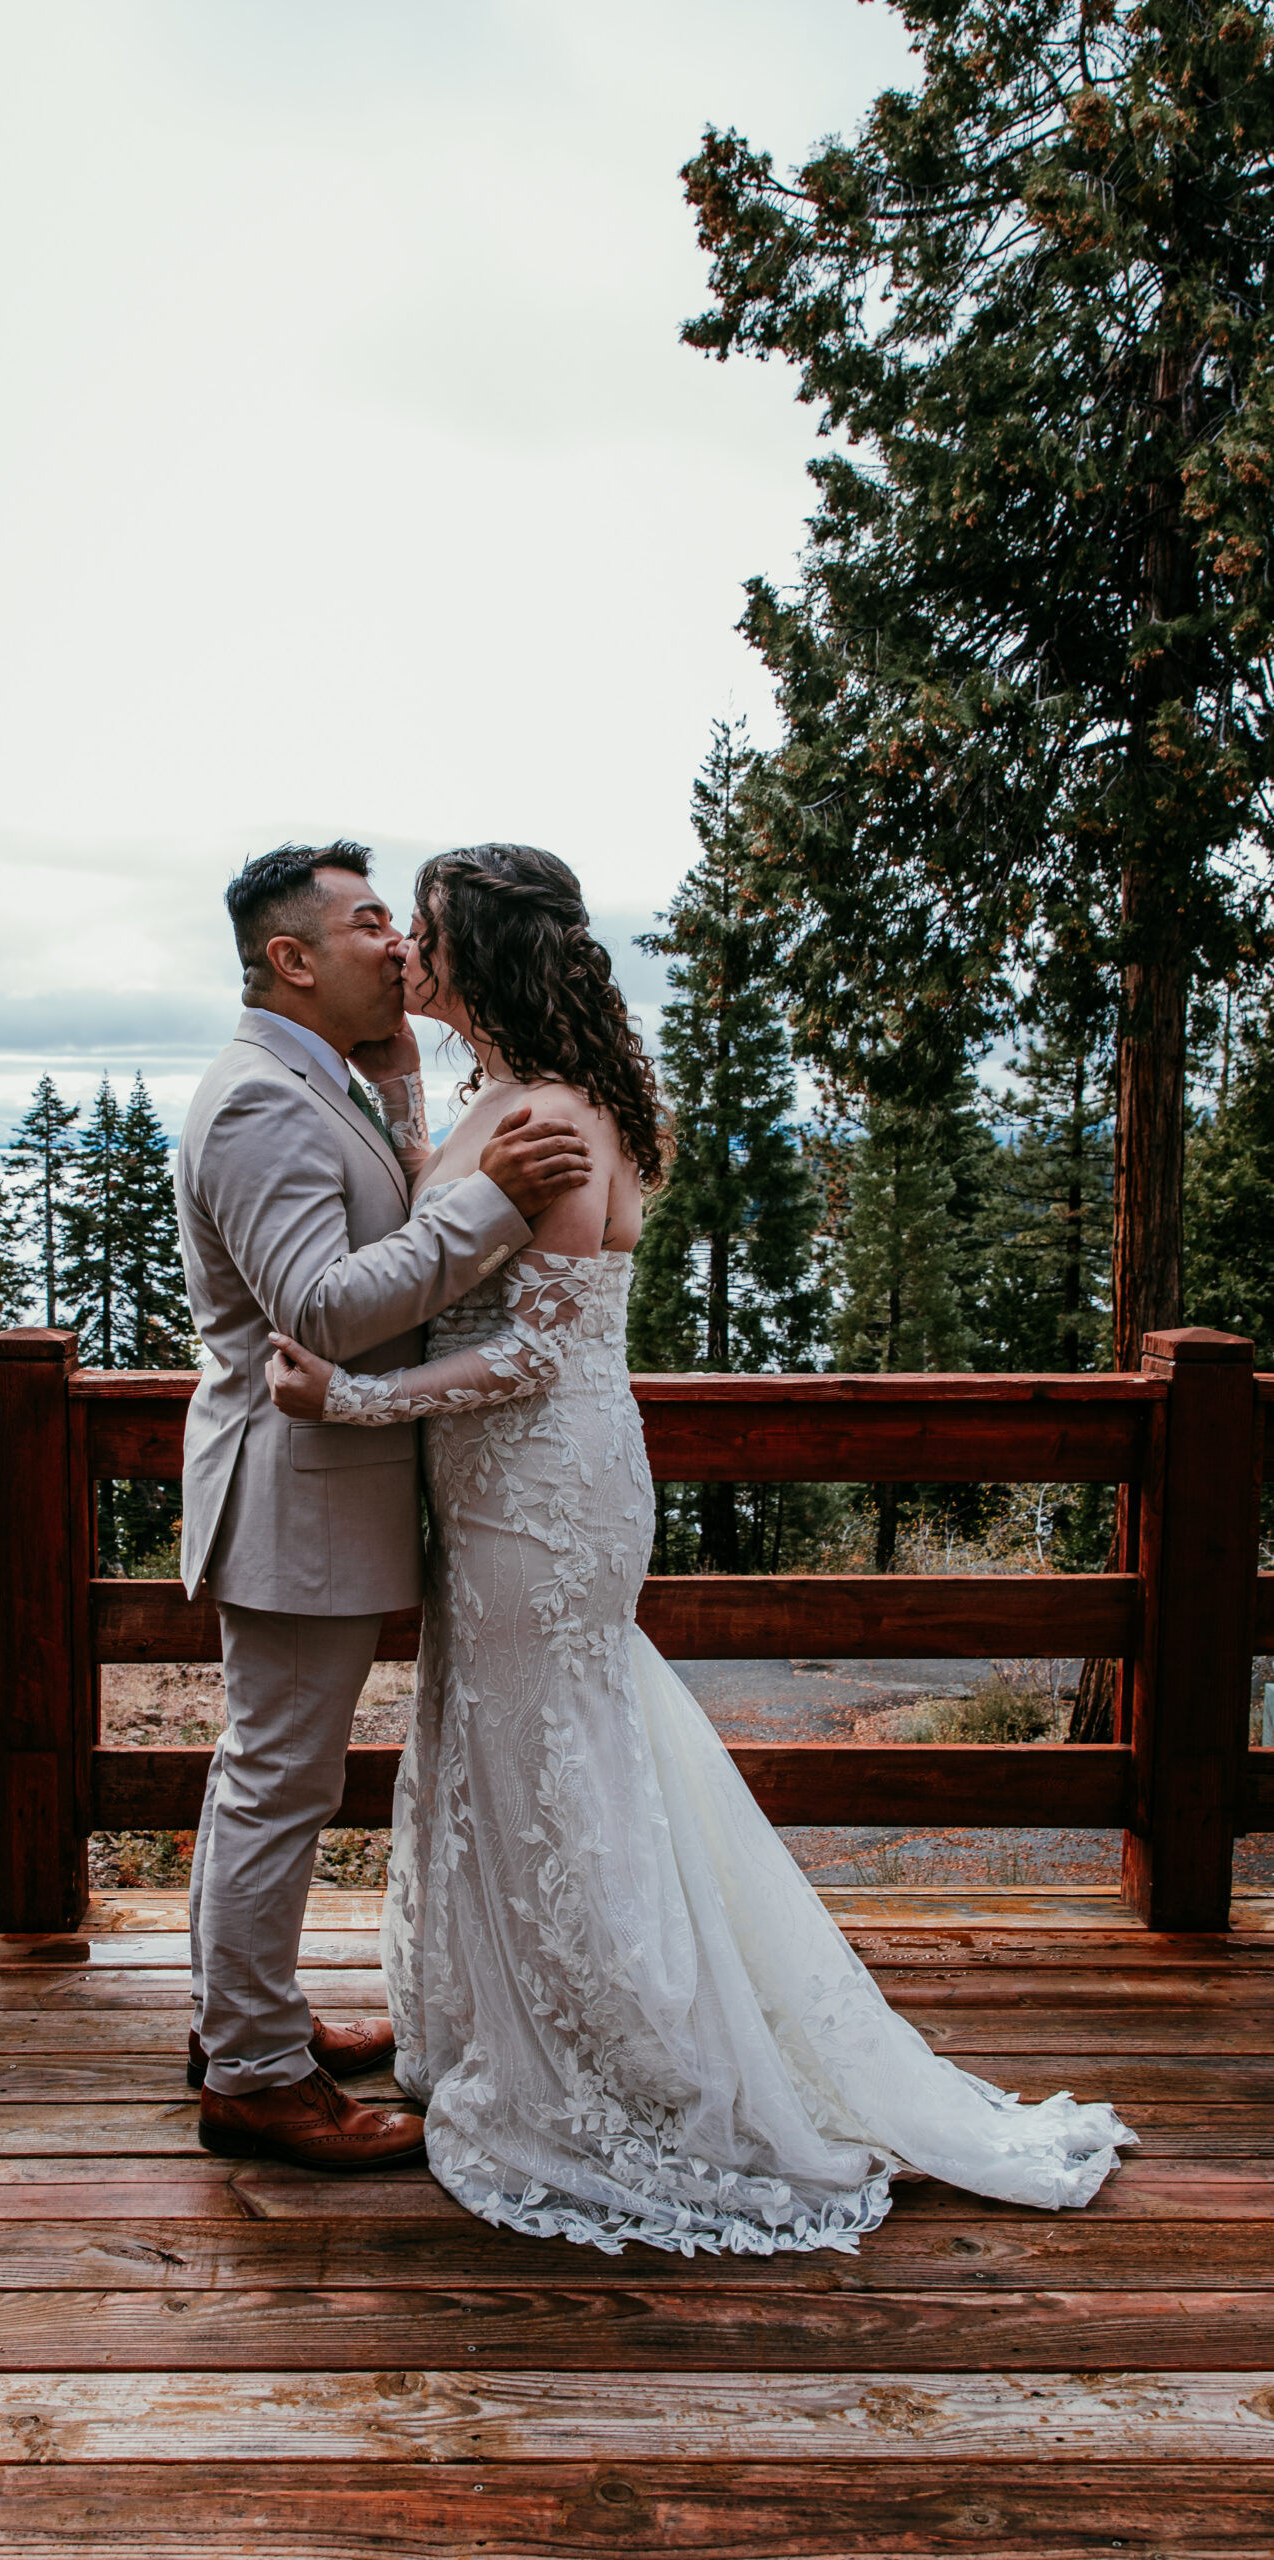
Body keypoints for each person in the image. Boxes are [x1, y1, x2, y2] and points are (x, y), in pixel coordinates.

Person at [266, 843, 1136, 2255]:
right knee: (506, 1741)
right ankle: (511, 2019)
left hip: (545, 1479)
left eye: (422, 933)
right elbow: (447, 1186)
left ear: (475, 952)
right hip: (494, 1491)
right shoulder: (503, 1093)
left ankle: (634, 2061)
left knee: (562, 1754)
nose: (406, 954)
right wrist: (415, 1078)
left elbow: (535, 1356)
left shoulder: (551, 1116)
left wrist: (348, 1395)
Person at [176, 840, 594, 2171]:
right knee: (277, 1785)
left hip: (324, 1495)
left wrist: (409, 1087)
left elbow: (371, 1217)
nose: (401, 946)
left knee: (268, 1777)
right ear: (292, 959)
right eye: (371, 924)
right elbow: (322, 1308)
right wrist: (489, 1210)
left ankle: (247, 2021)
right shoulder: (260, 1101)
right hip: (293, 1498)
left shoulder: (325, 1079)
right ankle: (249, 2076)